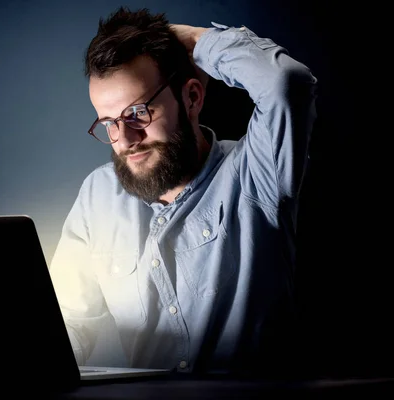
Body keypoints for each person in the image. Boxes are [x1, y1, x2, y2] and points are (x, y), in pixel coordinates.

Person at [49, 6, 317, 377]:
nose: (124, 140)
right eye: (109, 122)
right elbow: (70, 320)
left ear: (192, 98)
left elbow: (286, 82)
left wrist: (194, 40)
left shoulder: (257, 172)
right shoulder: (98, 194)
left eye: (138, 113)